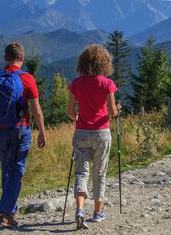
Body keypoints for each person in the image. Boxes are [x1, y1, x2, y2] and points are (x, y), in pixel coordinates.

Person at [0, 42, 47, 228]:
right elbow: (37, 111)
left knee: (6, 169)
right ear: (21, 58)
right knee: (17, 169)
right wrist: (42, 132)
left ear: (6, 58)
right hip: (20, 129)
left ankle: (10, 211)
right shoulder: (27, 79)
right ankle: (5, 211)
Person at [67, 44, 121, 229]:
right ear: (104, 62)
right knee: (99, 173)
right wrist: (118, 110)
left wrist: (78, 117)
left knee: (81, 172)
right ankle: (98, 212)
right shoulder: (107, 84)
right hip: (101, 132)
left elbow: (69, 112)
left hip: (81, 132)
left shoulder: (76, 83)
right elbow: (113, 112)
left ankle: (80, 209)